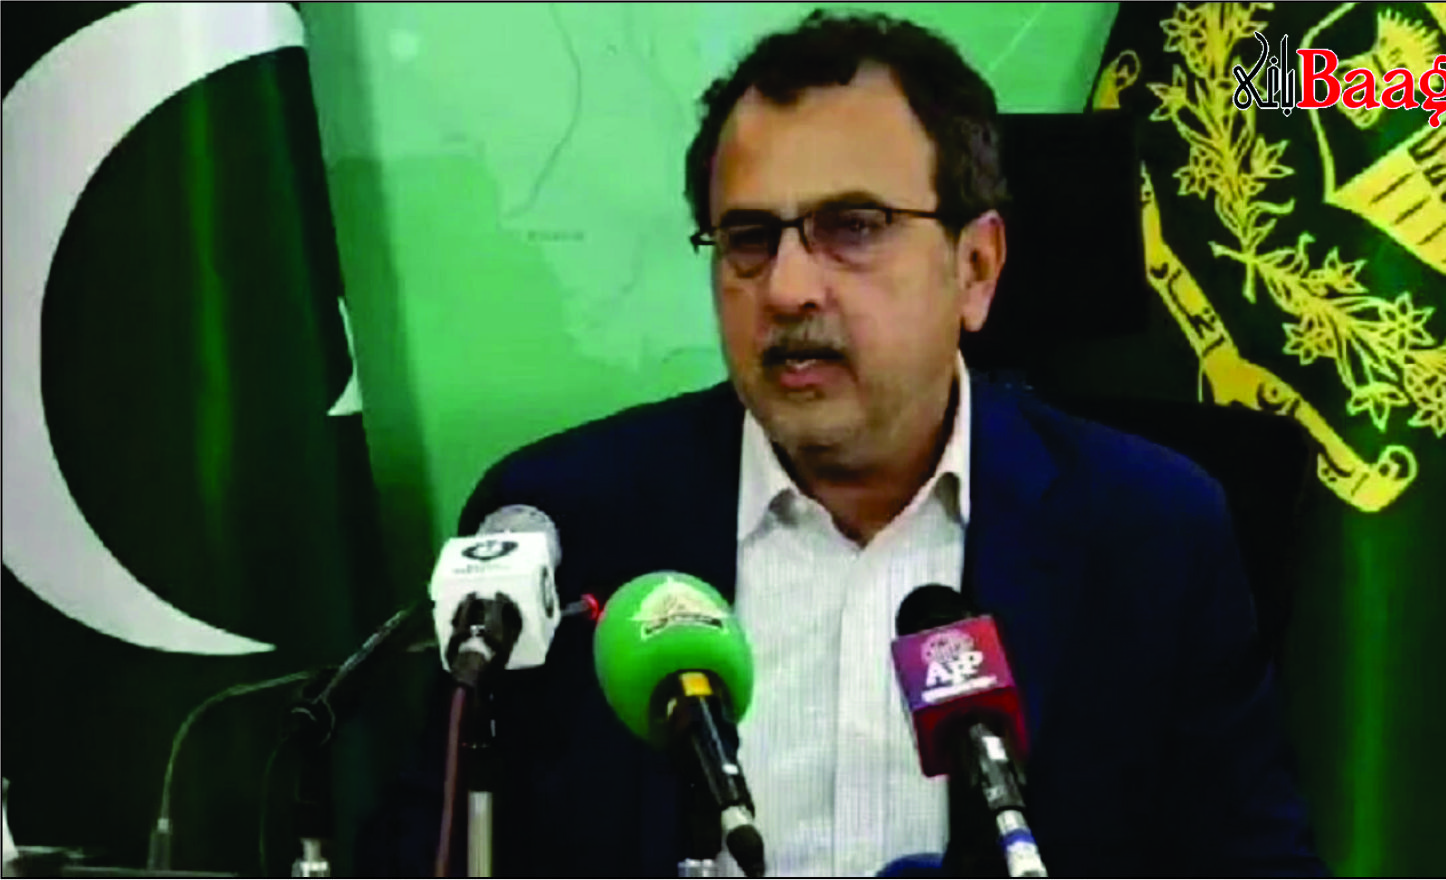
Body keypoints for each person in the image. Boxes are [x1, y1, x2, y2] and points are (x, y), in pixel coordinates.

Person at [361, 10, 1325, 877]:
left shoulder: (1149, 534)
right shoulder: (565, 525)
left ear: (976, 266)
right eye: (749, 237)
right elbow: (430, 856)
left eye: (853, 227)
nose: (787, 289)